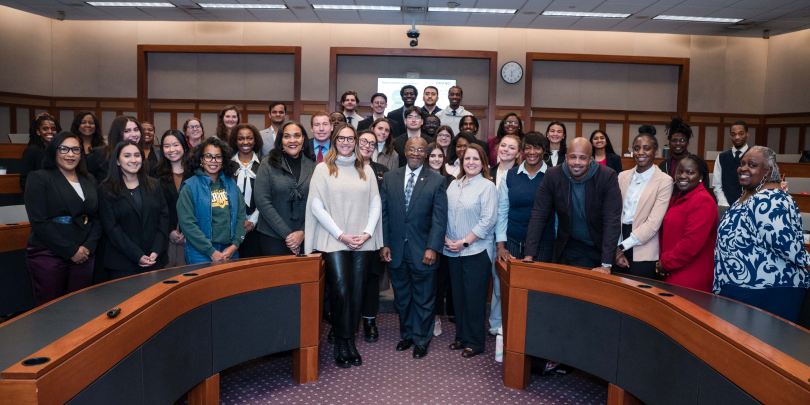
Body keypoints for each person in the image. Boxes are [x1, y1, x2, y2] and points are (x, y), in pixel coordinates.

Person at [304, 123, 383, 368]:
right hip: (333, 240)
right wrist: (341, 235)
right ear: (335, 140)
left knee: (357, 292)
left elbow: (375, 203)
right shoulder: (322, 168)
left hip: (362, 240)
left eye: (351, 139)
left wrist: (368, 232)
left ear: (356, 142)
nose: (346, 142)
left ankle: (350, 341)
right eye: (342, 138)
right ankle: (341, 340)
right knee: (340, 291)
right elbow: (316, 206)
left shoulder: (366, 170)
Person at [714, 146, 810, 322]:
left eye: (752, 165)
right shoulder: (749, 195)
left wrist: (807, 263)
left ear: (768, 171)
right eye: (742, 163)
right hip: (744, 289)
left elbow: (786, 244)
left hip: (768, 291)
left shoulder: (771, 198)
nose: (743, 168)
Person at [380, 136, 447, 358]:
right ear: (405, 152)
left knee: (424, 298)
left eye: (421, 150)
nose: (416, 153)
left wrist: (433, 247)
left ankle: (421, 339)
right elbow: (384, 214)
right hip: (396, 250)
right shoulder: (390, 178)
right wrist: (384, 244)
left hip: (424, 251)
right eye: (412, 149)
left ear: (426, 154)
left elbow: (439, 219)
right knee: (402, 298)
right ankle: (407, 335)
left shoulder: (436, 181)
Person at [24, 132, 102, 306]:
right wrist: (70, 251)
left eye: (75, 150)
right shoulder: (39, 178)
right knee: (51, 310)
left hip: (84, 255)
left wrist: (88, 248)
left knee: (80, 308)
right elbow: (39, 222)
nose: (70, 154)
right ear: (54, 151)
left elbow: (97, 218)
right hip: (49, 254)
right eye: (64, 149)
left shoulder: (89, 179)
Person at [523, 138, 623, 273]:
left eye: (582, 158)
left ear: (591, 159)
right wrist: (528, 256)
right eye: (572, 157)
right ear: (565, 157)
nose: (576, 162)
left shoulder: (607, 176)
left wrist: (606, 265)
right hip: (574, 246)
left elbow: (612, 219)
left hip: (602, 245)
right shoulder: (553, 175)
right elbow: (539, 214)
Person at [444, 143, 497, 358]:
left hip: (476, 251)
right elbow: (445, 214)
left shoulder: (487, 186)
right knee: (458, 297)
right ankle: (461, 337)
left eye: (475, 159)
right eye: (467, 159)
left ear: (483, 162)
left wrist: (464, 242)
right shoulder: (453, 185)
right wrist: (447, 239)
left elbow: (488, 220)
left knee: (474, 299)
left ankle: (475, 342)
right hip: (452, 251)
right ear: (461, 162)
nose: (471, 163)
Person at [98, 140, 169, 280]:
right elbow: (112, 228)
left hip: (154, 259)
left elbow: (164, 217)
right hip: (123, 263)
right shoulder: (105, 189)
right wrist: (137, 255)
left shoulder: (155, 185)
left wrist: (156, 250)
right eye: (127, 155)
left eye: (137, 155)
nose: (133, 160)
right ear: (117, 161)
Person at [177, 137, 246, 265]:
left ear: (223, 160)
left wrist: (235, 245)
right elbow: (187, 224)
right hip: (200, 252)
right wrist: (211, 252)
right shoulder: (190, 187)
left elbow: (241, 217)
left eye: (218, 157)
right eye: (208, 156)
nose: (213, 161)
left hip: (230, 251)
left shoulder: (231, 184)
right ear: (201, 159)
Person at [613, 133, 673, 279]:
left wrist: (622, 247)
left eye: (647, 148)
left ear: (656, 151)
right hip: (619, 239)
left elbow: (653, 223)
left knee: (640, 296)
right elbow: (614, 214)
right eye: (637, 148)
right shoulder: (622, 176)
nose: (641, 152)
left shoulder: (665, 181)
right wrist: (617, 246)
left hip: (644, 245)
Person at [656, 155, 717, 293]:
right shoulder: (678, 197)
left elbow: (690, 244)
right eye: (679, 172)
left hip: (691, 276)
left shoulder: (703, 201)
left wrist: (665, 264)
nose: (683, 176)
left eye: (690, 172)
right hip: (673, 269)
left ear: (701, 176)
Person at [254, 121, 316, 256]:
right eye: (287, 136)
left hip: (306, 236)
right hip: (272, 236)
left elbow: (318, 203)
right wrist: (288, 235)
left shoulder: (313, 165)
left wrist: (303, 232)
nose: (292, 140)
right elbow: (262, 201)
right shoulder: (267, 164)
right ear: (280, 140)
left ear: (303, 138)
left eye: (297, 136)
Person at [497, 132, 554, 262]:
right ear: (522, 151)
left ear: (544, 150)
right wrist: (500, 246)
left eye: (537, 148)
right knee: (511, 282)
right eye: (528, 147)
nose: (532, 152)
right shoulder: (509, 175)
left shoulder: (553, 176)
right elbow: (502, 212)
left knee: (538, 282)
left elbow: (558, 215)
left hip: (544, 244)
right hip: (513, 241)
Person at [357, 130, 389, 344]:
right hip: (346, 236)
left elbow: (385, 208)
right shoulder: (344, 167)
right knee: (346, 282)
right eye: (364, 142)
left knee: (370, 280)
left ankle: (369, 322)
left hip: (374, 235)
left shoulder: (383, 171)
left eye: (372, 143)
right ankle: (344, 322)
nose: (368, 146)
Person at [155, 129, 189, 268]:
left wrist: (188, 231)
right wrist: (169, 230)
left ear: (184, 146)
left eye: (176, 145)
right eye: (167, 146)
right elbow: (155, 207)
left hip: (191, 234)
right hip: (163, 232)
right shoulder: (155, 173)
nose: (171, 149)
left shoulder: (196, 172)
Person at [229, 123, 264, 258]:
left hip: (257, 225)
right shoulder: (227, 165)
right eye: (241, 138)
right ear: (235, 141)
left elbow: (265, 196)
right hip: (232, 224)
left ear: (255, 140)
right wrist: (240, 220)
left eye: (249, 138)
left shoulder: (263, 165)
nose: (245, 142)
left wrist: (252, 221)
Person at [87, 115, 143, 184]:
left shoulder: (140, 157)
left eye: (136, 130)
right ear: (117, 134)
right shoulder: (99, 154)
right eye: (127, 131)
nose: (134, 134)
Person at [713, 120, 750, 207]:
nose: (737, 137)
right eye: (733, 134)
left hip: (749, 205)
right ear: (730, 136)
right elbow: (717, 185)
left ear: (747, 134)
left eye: (741, 134)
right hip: (726, 205)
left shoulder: (754, 155)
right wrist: (725, 205)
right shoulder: (721, 157)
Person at [21, 113, 61, 191]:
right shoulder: (31, 151)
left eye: (53, 129)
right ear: (38, 132)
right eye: (45, 129)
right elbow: (24, 182)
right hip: (39, 195)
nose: (50, 131)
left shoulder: (60, 150)